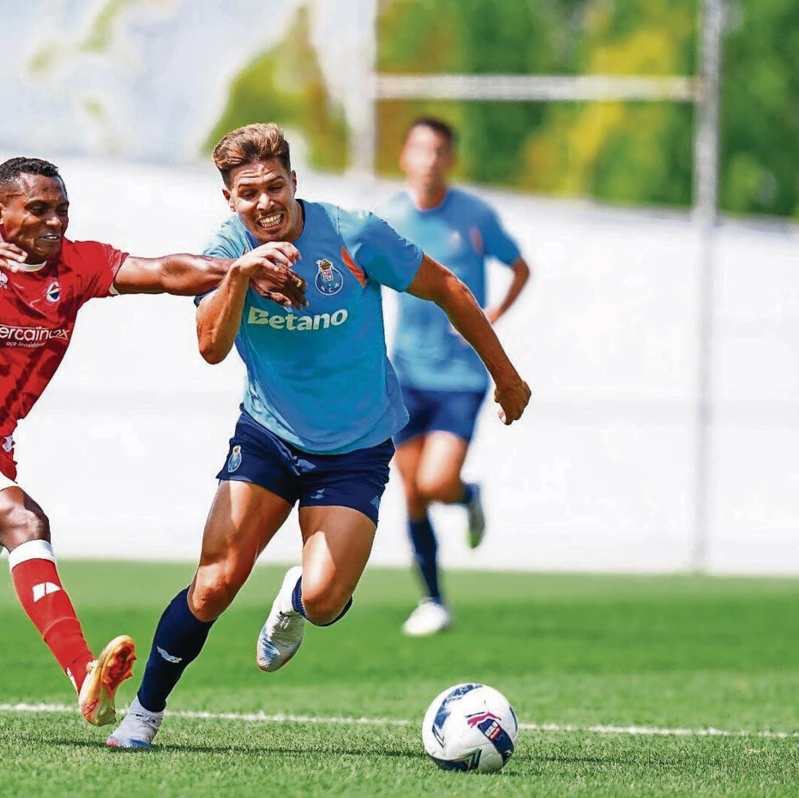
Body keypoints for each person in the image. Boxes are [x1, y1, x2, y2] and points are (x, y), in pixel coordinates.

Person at [0, 156, 305, 733]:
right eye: (38, 209)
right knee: (25, 522)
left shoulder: (76, 263)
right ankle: (83, 673)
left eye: (62, 209)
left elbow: (164, 271)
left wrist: (239, 270)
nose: (54, 221)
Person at [106, 123, 531, 749]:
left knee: (327, 601)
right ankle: (143, 713)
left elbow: (448, 288)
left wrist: (507, 376)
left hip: (355, 449)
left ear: (294, 182)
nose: (264, 203)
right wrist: (241, 276)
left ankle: (296, 600)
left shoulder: (353, 234)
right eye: (248, 193)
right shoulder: (224, 250)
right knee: (217, 581)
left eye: (274, 186)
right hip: (269, 437)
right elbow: (209, 349)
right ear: (229, 200)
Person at [375, 117, 532, 637]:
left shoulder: (473, 216)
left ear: (451, 160)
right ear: (405, 157)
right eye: (421, 149)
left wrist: (493, 317)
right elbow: (359, 275)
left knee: (437, 481)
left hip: (461, 376)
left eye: (440, 150)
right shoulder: (389, 218)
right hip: (405, 373)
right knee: (413, 492)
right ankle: (433, 601)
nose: (430, 160)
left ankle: (467, 496)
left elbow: (520, 267)